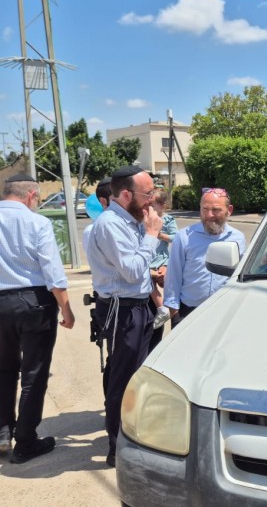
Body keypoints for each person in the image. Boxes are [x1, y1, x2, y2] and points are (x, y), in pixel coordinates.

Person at [85, 166, 163, 468]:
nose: (152, 199)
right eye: (147, 193)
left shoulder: (131, 220)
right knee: (122, 378)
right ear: (127, 194)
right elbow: (130, 271)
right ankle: (118, 448)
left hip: (139, 305)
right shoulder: (110, 224)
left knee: (138, 376)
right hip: (122, 310)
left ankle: (134, 435)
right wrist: (152, 235)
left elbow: (136, 267)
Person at [0, 173, 75, 464]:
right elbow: (52, 271)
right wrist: (66, 309)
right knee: (34, 373)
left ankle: (3, 431)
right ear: (31, 195)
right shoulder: (38, 222)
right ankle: (25, 441)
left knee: (3, 369)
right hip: (34, 302)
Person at [163, 187, 246, 325]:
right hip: (189, 312)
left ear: (229, 210)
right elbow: (173, 277)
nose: (209, 215)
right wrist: (175, 315)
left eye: (216, 210)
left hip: (224, 312)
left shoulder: (238, 238)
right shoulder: (184, 237)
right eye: (204, 209)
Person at [148, 188, 176, 342]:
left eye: (153, 206)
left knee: (163, 282)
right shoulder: (145, 219)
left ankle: (166, 308)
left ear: (162, 206)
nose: (150, 208)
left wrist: (160, 235)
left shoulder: (168, 220)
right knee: (149, 281)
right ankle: (161, 308)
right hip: (149, 258)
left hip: (161, 258)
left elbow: (176, 237)